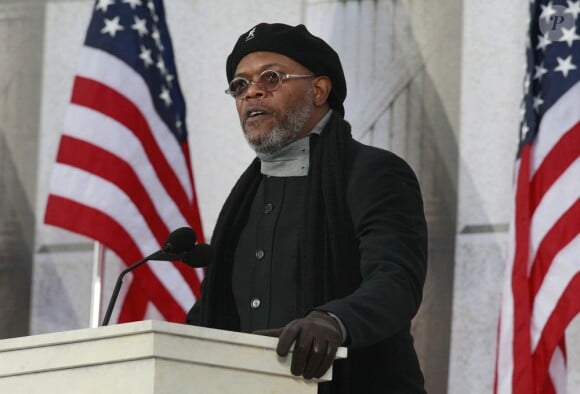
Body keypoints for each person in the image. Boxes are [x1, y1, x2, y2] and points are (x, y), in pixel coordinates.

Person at [186, 22, 428, 394]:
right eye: (240, 85)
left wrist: (334, 320)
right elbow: (212, 311)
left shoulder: (374, 173)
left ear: (318, 89)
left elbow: (395, 281)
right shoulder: (244, 199)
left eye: (270, 77)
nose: (252, 93)